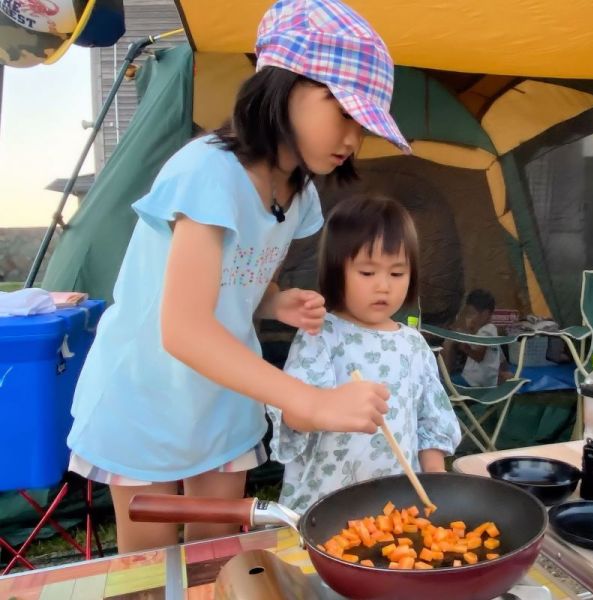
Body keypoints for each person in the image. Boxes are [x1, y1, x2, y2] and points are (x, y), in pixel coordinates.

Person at [66, 0, 409, 553]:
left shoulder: (298, 194)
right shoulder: (207, 170)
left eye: (363, 125)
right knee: (151, 566)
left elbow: (236, 279)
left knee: (217, 550)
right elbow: (181, 328)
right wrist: (309, 401)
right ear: (281, 85)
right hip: (147, 393)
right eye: (342, 111)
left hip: (224, 392)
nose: (352, 138)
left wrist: (274, 303)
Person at [268, 196, 461, 513]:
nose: (383, 286)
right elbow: (292, 414)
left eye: (397, 274)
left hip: (397, 510)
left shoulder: (413, 345)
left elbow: (431, 424)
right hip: (323, 509)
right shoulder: (322, 334)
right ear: (336, 272)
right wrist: (325, 407)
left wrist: (436, 486)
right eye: (368, 273)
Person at [442, 289, 513, 387]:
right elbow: (501, 359)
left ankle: (446, 382)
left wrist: (463, 346)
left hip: (472, 381)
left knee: (448, 344)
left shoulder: (487, 331)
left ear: (485, 314)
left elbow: (479, 356)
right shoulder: (490, 331)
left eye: (472, 313)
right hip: (485, 381)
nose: (469, 318)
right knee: (451, 341)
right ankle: (447, 380)